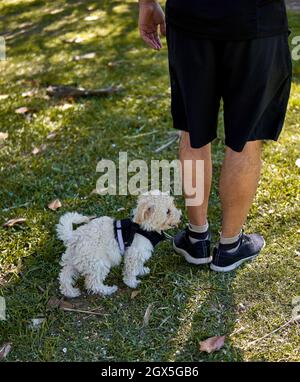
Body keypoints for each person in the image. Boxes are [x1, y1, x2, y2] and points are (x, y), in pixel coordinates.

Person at [138, 0, 292, 272]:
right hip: (256, 18)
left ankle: (197, 238)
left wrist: (147, 3)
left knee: (193, 131)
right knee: (247, 137)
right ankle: (230, 246)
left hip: (192, 19)